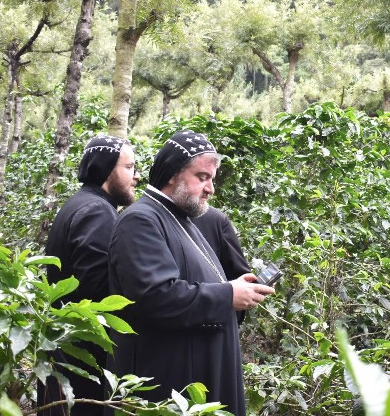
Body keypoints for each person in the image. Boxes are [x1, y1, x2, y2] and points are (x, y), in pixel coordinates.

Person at [107, 130, 274, 416]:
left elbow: (195, 280)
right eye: (202, 177)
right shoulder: (140, 220)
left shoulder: (179, 218)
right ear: (173, 174)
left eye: (212, 179)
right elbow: (156, 297)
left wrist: (234, 286)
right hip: (169, 384)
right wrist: (227, 295)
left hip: (195, 375)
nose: (210, 189)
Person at [38, 134, 140, 416]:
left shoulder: (80, 203)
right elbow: (97, 289)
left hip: (65, 350)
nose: (136, 176)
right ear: (106, 169)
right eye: (129, 167)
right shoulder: (98, 212)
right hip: (82, 358)